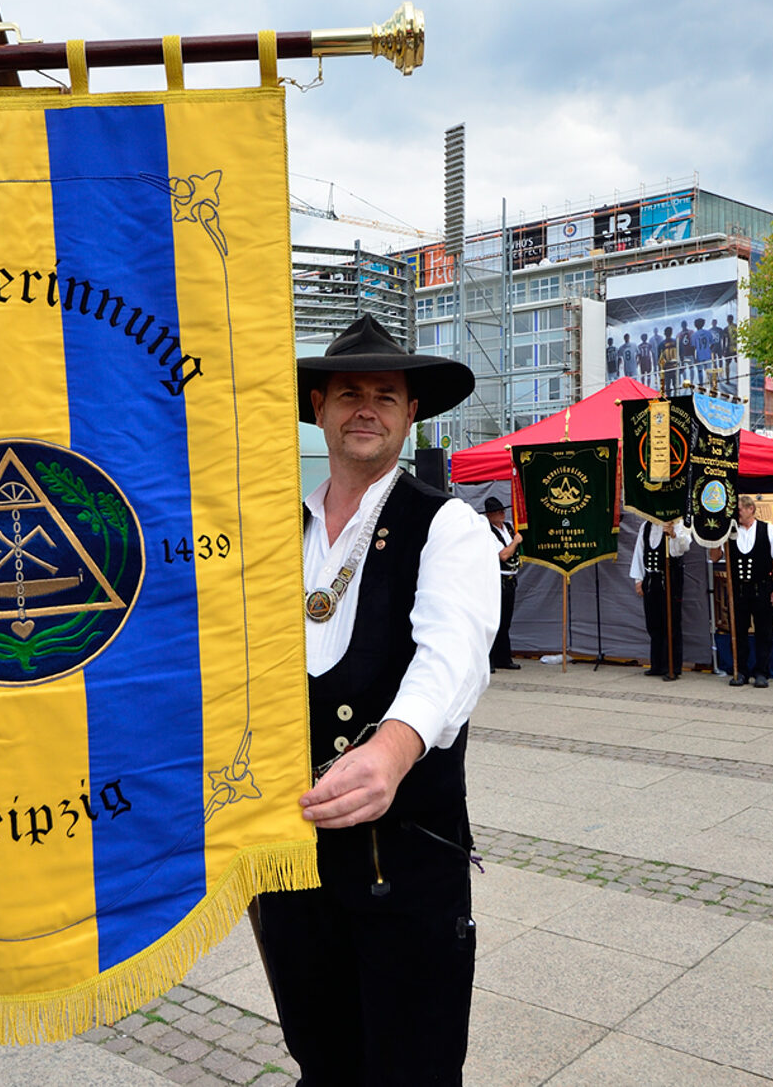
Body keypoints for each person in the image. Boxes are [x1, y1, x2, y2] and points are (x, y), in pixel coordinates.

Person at [253, 313, 496, 1085]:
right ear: (318, 406)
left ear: (410, 412)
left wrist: (392, 747)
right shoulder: (268, 531)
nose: (368, 408)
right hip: (286, 857)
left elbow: (453, 656)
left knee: (411, 1070)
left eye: (386, 395)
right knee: (319, 1058)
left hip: (404, 858)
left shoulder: (447, 524)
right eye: (350, 392)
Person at [709, 495, 773, 688]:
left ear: (750, 509)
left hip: (761, 588)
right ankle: (740, 670)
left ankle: (762, 672)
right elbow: (714, 557)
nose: (738, 514)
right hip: (738, 590)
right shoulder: (729, 533)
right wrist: (716, 536)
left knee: (764, 632)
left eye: (740, 510)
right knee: (738, 631)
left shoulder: (768, 530)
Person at [630, 518, 693, 680]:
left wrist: (672, 535)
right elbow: (639, 551)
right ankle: (657, 664)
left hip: (670, 579)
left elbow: (682, 548)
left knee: (671, 623)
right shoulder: (646, 526)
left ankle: (672, 667)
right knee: (653, 623)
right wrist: (638, 579)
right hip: (652, 579)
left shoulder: (678, 524)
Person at [483, 496, 522, 671]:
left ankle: (503, 657)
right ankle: (488, 660)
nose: (502, 514)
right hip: (496, 579)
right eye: (498, 512)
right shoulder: (488, 532)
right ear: (490, 515)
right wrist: (516, 542)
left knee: (505, 621)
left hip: (510, 578)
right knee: (493, 621)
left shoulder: (508, 528)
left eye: (503, 511)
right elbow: (503, 555)